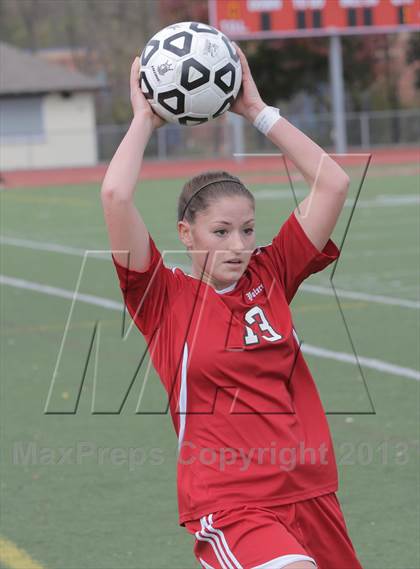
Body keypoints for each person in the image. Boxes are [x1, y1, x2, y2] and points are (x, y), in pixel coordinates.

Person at [101, 43, 363, 569]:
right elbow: (115, 197)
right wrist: (144, 121)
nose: (239, 245)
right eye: (221, 232)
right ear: (186, 233)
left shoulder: (272, 273)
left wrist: (256, 111)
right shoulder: (161, 297)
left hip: (311, 491)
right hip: (231, 504)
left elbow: (333, 182)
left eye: (247, 230)